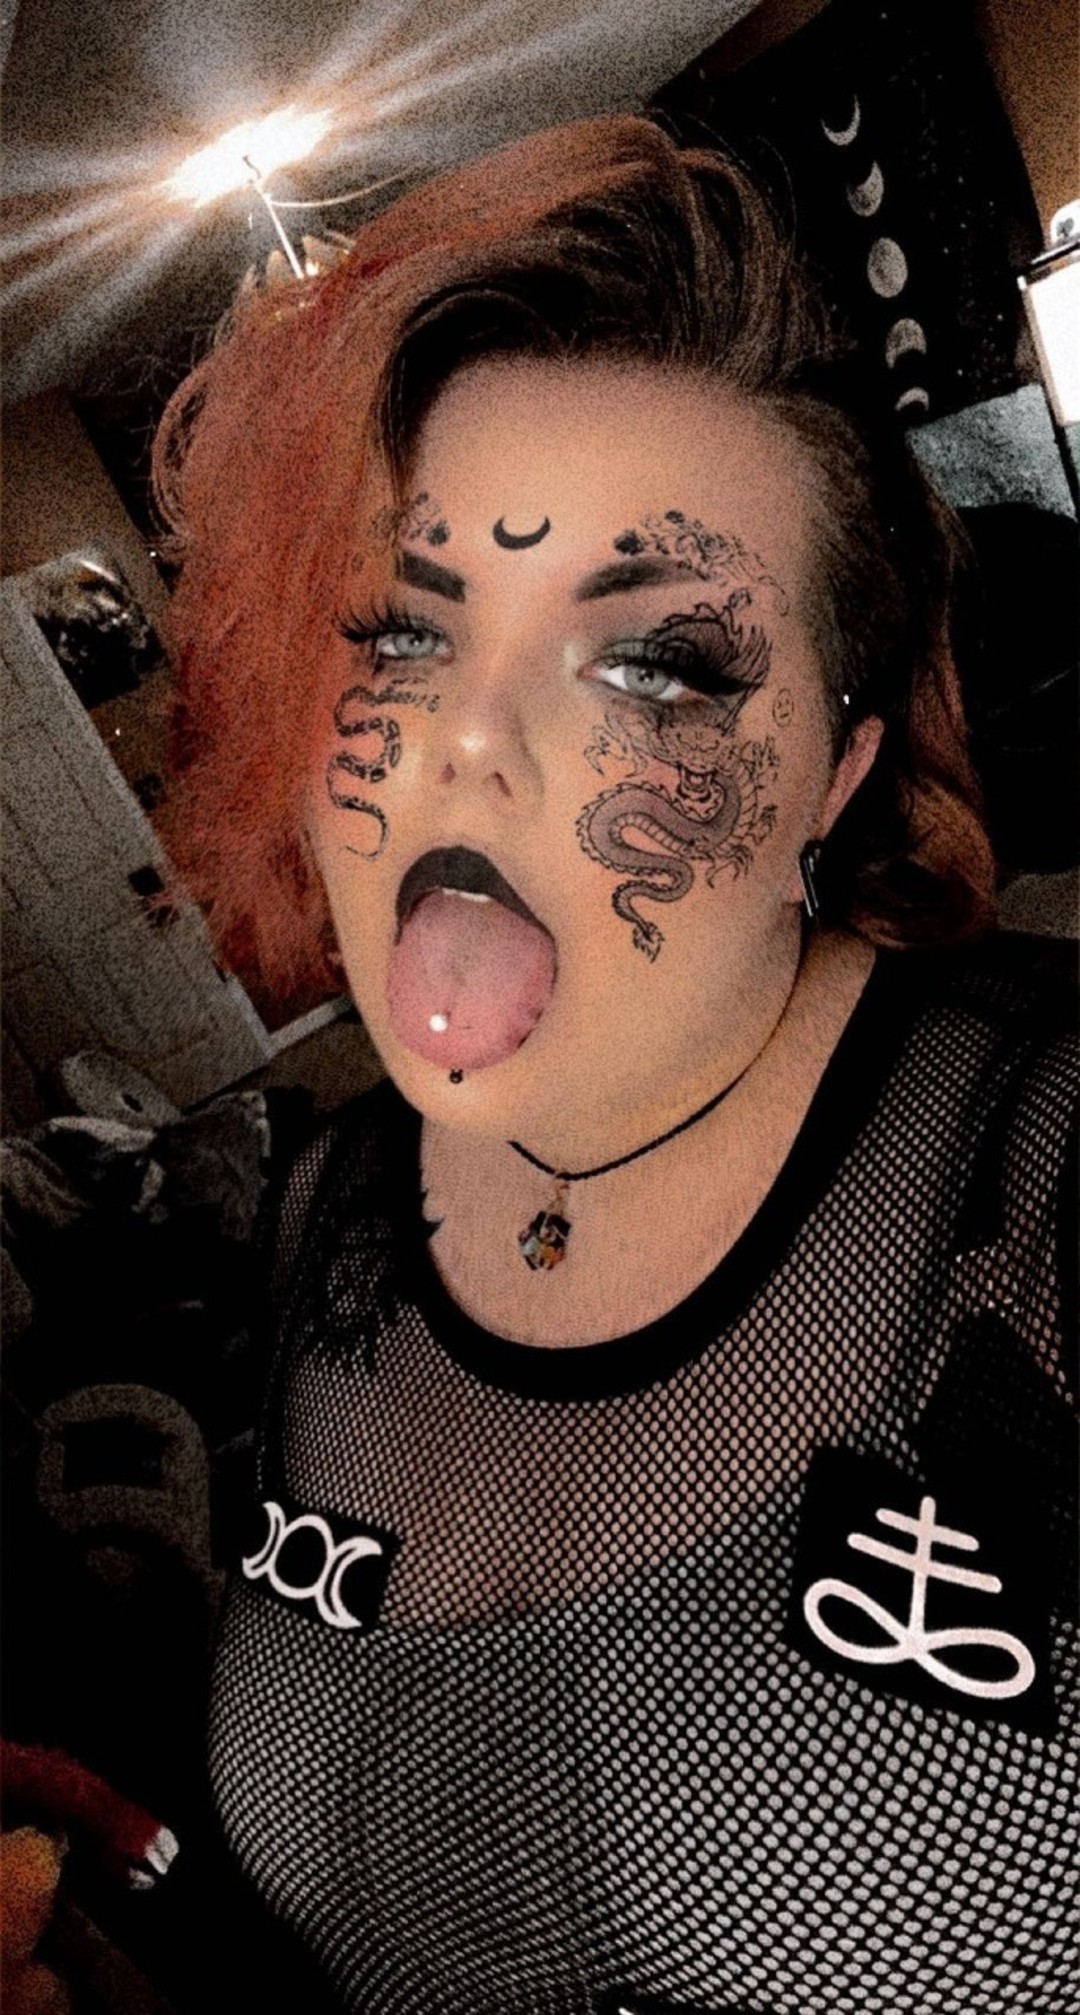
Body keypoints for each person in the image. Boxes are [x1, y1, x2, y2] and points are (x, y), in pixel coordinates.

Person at [153, 116, 1077, 2015]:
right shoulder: (324, 1213)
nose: (467, 743)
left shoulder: (1047, 1176)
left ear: (836, 770)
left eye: (656, 664)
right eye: (399, 635)